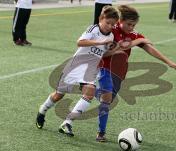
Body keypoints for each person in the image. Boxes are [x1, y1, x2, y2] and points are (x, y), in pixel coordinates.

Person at [35, 6, 150, 137]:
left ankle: (67, 123)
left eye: (113, 24)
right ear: (101, 19)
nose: (110, 26)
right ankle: (42, 110)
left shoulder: (111, 35)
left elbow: (105, 53)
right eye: (108, 23)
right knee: (58, 95)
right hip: (76, 66)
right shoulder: (93, 29)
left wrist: (116, 49)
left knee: (89, 94)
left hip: (90, 69)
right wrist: (99, 41)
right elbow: (80, 42)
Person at [95, 5, 176, 142]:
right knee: (106, 100)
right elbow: (120, 45)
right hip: (104, 68)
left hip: (119, 72)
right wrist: (138, 41)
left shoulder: (133, 34)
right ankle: (101, 133)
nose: (131, 28)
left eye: (134, 25)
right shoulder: (112, 30)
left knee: (107, 100)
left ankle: (91, 92)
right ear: (120, 21)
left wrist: (167, 61)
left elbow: (149, 47)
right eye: (129, 24)